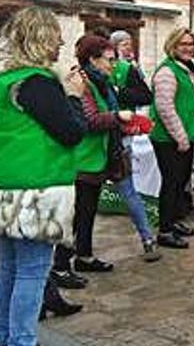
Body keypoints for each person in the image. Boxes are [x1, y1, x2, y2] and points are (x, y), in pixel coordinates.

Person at [0, 6, 88, 346]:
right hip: (33, 192)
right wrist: (74, 96)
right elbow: (71, 132)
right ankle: (21, 340)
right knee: (32, 272)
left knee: (7, 267)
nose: (60, 45)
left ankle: (3, 338)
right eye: (56, 38)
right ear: (40, 39)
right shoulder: (33, 81)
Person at [53, 36, 139, 280]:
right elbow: (89, 120)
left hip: (97, 157)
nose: (113, 65)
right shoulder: (82, 83)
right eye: (109, 60)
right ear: (93, 59)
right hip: (82, 158)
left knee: (88, 211)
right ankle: (60, 266)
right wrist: (117, 117)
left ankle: (84, 256)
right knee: (77, 215)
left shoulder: (101, 82)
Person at [150, 28, 194, 249]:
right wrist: (181, 137)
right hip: (169, 139)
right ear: (173, 45)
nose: (188, 48)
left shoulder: (185, 69)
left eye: (191, 44)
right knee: (171, 183)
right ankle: (164, 231)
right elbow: (165, 107)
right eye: (183, 44)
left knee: (180, 183)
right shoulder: (167, 71)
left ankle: (173, 221)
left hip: (184, 137)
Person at [106, 30, 161, 262]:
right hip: (101, 141)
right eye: (124, 44)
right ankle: (76, 252)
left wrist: (120, 92)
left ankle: (147, 237)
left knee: (127, 190)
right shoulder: (86, 77)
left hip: (121, 137)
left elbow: (145, 95)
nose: (128, 47)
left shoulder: (129, 69)